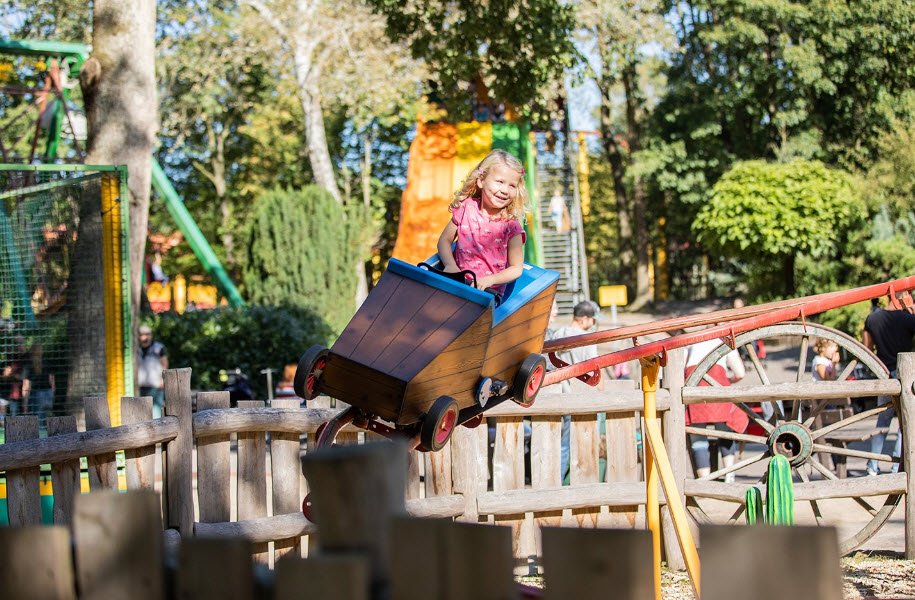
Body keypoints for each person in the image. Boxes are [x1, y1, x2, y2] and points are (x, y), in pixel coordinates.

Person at [436, 149, 527, 300]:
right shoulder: (466, 207)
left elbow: (516, 268)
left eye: (512, 186)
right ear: (481, 181)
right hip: (457, 283)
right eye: (500, 182)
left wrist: (490, 280)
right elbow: (444, 241)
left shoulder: (511, 226)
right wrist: (450, 265)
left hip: (488, 293)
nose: (505, 190)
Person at [552, 300, 605, 484]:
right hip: (585, 397)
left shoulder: (558, 334)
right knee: (586, 444)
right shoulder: (587, 340)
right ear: (583, 319)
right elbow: (595, 368)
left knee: (564, 445)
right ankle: (578, 482)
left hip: (564, 395)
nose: (593, 323)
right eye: (592, 320)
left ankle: (557, 481)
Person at [862, 298, 915, 475]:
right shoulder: (908, 320)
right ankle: (897, 467)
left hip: (884, 376)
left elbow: (866, 348)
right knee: (905, 424)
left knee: (882, 421)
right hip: (904, 377)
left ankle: (873, 465)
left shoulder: (873, 319)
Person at [684, 337, 747, 482]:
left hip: (695, 393)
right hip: (718, 392)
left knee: (698, 440)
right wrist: (729, 380)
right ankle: (729, 476)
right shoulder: (725, 342)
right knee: (725, 432)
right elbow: (740, 373)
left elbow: (681, 370)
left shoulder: (691, 342)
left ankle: (705, 481)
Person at [137, 324, 168, 418]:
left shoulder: (158, 348)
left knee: (156, 413)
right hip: (142, 386)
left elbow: (165, 363)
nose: (145, 337)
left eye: (148, 334)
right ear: (139, 336)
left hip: (156, 385)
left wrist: (163, 380)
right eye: (143, 334)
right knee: (144, 413)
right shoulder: (137, 349)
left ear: (151, 335)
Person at [25, 343, 55, 428]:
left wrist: (25, 402)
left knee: (37, 420)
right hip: (48, 393)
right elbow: (52, 381)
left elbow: (27, 385)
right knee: (46, 418)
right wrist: (52, 394)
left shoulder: (29, 364)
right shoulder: (47, 362)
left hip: (36, 394)